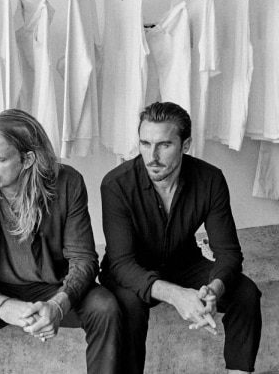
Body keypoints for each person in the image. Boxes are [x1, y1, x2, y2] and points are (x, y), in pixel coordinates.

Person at [0, 109, 121, 374]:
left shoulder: (67, 183)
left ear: (27, 160)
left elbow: (83, 259)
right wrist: (2, 306)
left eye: (0, 159)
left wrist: (58, 306)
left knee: (105, 307)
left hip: (51, 289)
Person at [100, 101, 262, 373]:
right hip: (131, 271)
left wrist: (214, 290)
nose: (152, 156)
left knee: (245, 293)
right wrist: (176, 296)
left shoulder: (210, 179)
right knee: (128, 305)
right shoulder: (116, 184)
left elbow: (229, 253)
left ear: (185, 145)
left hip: (183, 264)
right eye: (145, 143)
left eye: (164, 145)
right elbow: (121, 263)